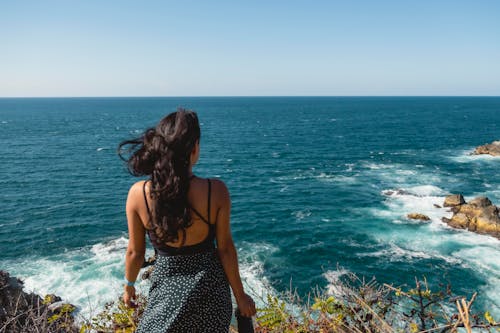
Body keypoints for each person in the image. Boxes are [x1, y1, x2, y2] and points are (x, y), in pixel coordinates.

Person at [118, 109, 256, 332]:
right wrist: (240, 296)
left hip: (166, 295)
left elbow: (135, 252)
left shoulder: (139, 194)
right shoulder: (215, 191)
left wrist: (129, 286)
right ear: (194, 148)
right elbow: (226, 250)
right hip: (211, 295)